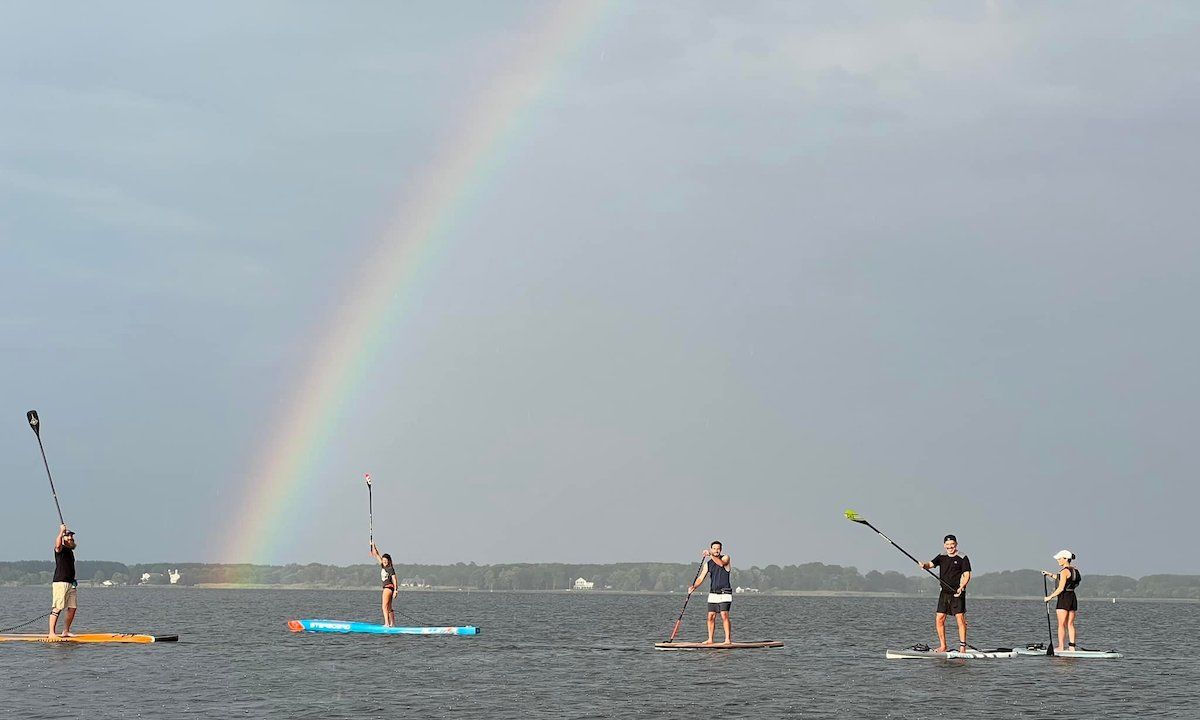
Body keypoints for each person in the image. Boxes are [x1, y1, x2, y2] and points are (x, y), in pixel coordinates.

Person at [919, 534, 971, 653]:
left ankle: (962, 647)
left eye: (952, 544)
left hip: (957, 592)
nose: (950, 547)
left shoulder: (963, 557)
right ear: (944, 545)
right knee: (939, 618)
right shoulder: (941, 556)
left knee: (960, 619)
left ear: (956, 544)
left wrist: (962, 587)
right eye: (947, 545)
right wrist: (924, 565)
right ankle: (943, 646)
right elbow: (930, 565)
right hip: (944, 592)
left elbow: (967, 574)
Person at [688, 540, 733, 645]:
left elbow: (721, 564)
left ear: (721, 550)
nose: (716, 550)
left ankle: (727, 640)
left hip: (725, 592)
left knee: (724, 615)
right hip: (713, 593)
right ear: (711, 549)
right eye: (714, 549)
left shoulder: (726, 558)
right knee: (710, 616)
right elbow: (701, 577)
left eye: (718, 549)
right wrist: (694, 586)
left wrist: (710, 555)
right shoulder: (708, 564)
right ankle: (710, 639)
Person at [1043, 549, 1082, 652]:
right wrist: (1050, 574)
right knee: (1070, 624)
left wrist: (1049, 597)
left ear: (1065, 559)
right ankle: (1071, 647)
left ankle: (1060, 647)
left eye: (1059, 559)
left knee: (1061, 624)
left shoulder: (1064, 571)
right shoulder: (1075, 571)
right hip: (1072, 598)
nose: (1058, 561)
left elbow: (1060, 588)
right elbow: (1065, 581)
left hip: (1063, 598)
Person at [49, 524, 78, 640]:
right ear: (63, 539)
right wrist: (61, 532)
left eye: (71, 536)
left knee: (72, 607)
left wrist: (74, 581)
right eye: (68, 536)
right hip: (60, 582)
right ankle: (51, 632)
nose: (71, 538)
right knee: (58, 607)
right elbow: (57, 544)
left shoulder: (70, 551)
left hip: (71, 583)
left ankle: (66, 631)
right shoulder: (60, 549)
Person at [369, 541, 397, 627]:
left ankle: (387, 624)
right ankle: (392, 624)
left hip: (388, 588)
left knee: (384, 606)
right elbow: (376, 554)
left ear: (389, 561)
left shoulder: (390, 568)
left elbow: (394, 579)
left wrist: (396, 590)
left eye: (386, 560)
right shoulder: (383, 566)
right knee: (389, 607)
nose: (384, 561)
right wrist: (373, 545)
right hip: (390, 589)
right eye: (383, 560)